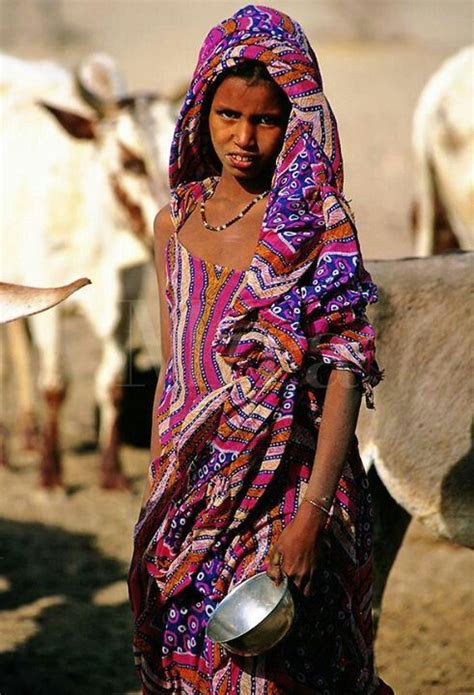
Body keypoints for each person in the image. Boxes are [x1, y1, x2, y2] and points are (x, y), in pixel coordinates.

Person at [129, 5, 392, 693]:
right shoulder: (172, 222)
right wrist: (161, 490)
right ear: (199, 112)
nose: (245, 138)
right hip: (191, 501)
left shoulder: (317, 226)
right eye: (227, 116)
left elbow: (345, 372)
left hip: (287, 495)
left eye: (267, 119)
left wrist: (310, 516)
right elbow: (176, 378)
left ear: (296, 120)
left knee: (279, 673)